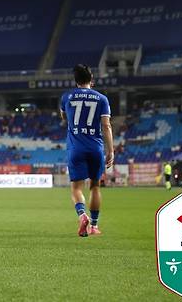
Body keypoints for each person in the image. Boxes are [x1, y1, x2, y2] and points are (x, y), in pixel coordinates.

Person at [60, 64, 113, 237]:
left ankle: (82, 215)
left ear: (75, 81)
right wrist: (111, 150)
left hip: (76, 147)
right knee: (95, 186)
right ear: (92, 79)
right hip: (95, 147)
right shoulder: (102, 99)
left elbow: (64, 117)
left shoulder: (67, 97)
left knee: (76, 188)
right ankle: (94, 226)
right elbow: (106, 126)